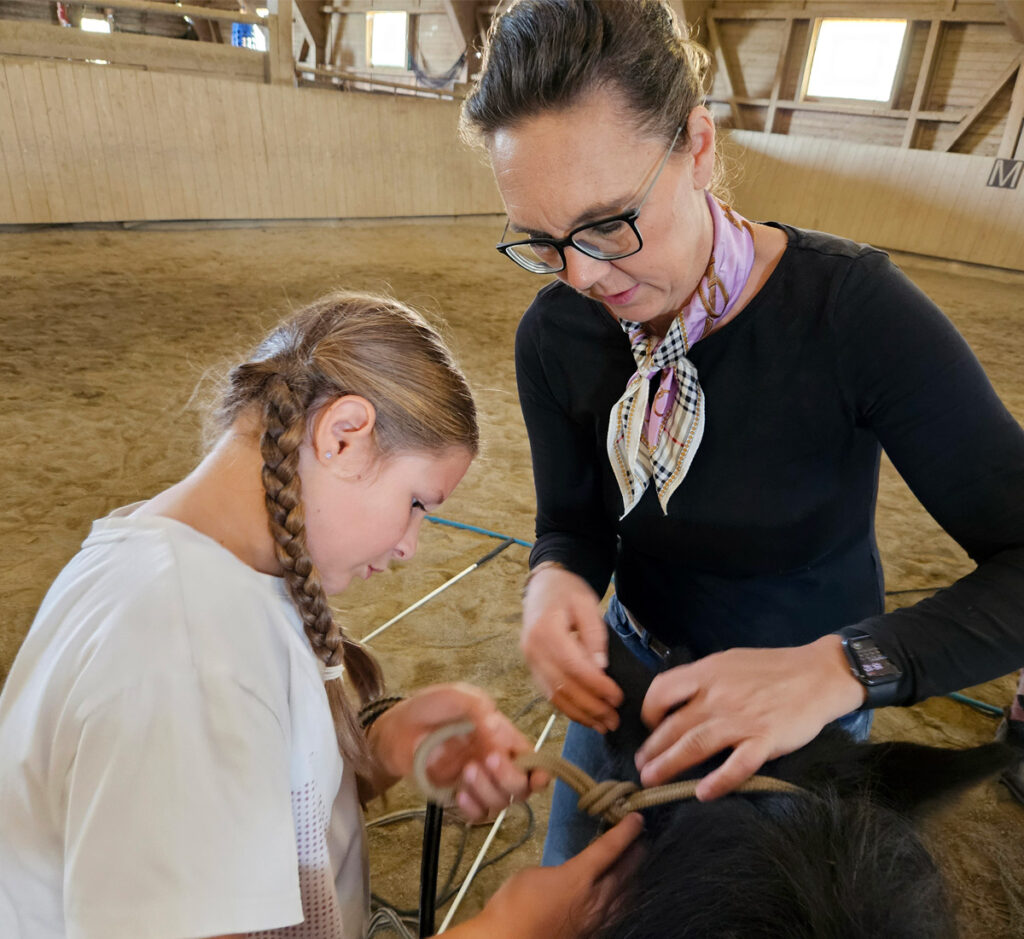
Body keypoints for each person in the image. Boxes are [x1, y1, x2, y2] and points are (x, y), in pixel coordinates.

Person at [459, 0, 1024, 864]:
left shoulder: (853, 312)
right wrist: (554, 580)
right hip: (625, 689)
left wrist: (843, 668)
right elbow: (573, 524)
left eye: (611, 222)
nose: (582, 275)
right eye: (542, 241)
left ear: (698, 146)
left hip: (801, 718)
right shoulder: (555, 335)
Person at [0, 291, 642, 939]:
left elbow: (243, 799)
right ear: (344, 435)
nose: (408, 546)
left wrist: (383, 747)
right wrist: (515, 928)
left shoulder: (199, 573)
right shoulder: (186, 645)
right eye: (418, 502)